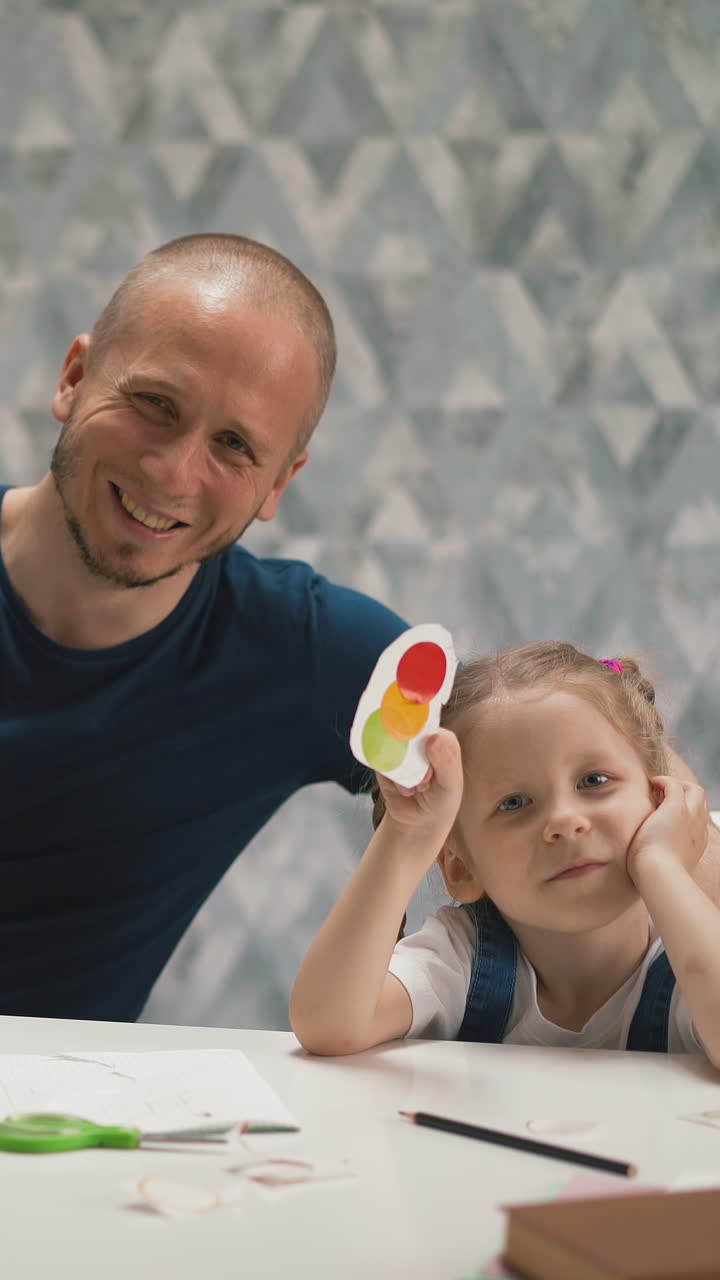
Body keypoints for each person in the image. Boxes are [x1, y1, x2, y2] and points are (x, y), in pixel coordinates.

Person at [0, 232, 407, 1021]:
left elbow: (565, 750)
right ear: (74, 377)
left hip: (52, 1131)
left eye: (234, 445)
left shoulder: (305, 654)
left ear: (280, 482)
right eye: (155, 405)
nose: (175, 472)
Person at [290, 643, 720, 1065]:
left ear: (661, 804)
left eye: (594, 781)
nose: (565, 821)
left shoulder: (690, 947)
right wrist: (404, 835)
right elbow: (329, 1025)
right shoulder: (462, 958)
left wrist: (661, 863)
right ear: (460, 866)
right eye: (514, 803)